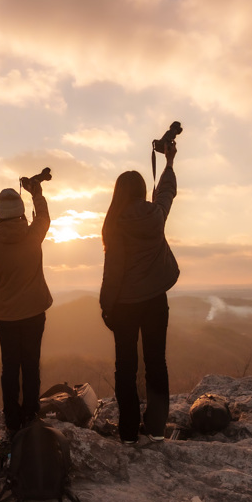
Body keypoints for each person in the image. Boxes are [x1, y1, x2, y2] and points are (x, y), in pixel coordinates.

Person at [100, 142, 179, 445]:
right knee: (156, 363)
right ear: (142, 191)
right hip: (156, 301)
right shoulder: (156, 214)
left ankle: (129, 432)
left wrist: (106, 307)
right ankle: (157, 429)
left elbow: (113, 271)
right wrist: (170, 163)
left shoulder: (115, 224)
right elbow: (166, 193)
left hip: (125, 305)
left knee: (126, 367)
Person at [0, 178, 52, 437]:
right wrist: (37, 193)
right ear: (20, 211)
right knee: (31, 363)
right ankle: (31, 413)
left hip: (6, 317)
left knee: (10, 367)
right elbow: (43, 217)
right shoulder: (33, 235)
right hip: (34, 312)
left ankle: (12, 418)